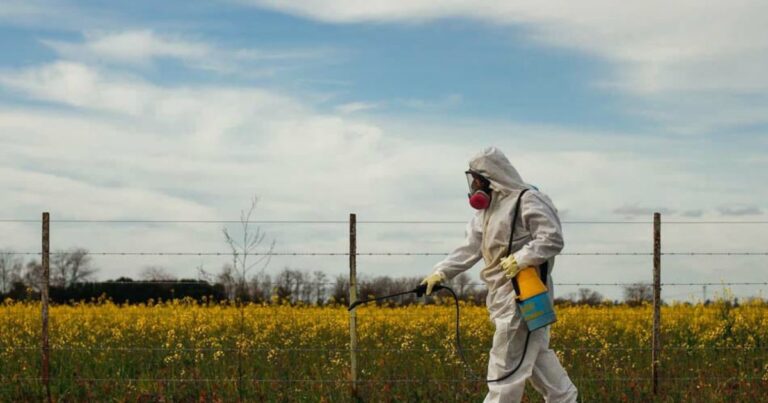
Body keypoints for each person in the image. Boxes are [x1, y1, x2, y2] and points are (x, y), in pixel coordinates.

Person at [421, 147, 577, 403]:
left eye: (478, 180)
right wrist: (440, 273)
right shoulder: (485, 213)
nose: (474, 186)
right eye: (472, 180)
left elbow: (552, 238)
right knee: (537, 360)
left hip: (524, 295)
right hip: (500, 295)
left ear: (492, 176)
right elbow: (469, 249)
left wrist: (521, 258)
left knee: (504, 370)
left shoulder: (527, 199)